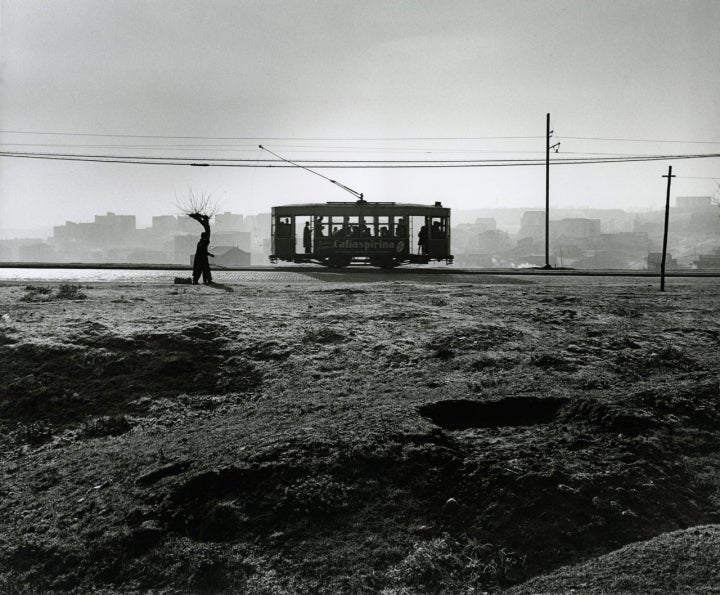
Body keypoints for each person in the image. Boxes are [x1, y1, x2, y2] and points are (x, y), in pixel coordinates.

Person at [190, 213, 214, 284]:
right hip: (201, 259)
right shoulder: (203, 243)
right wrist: (210, 254)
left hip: (200, 258)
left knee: (202, 270)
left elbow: (203, 250)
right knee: (202, 269)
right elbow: (204, 251)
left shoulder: (200, 242)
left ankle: (204, 280)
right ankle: (201, 280)